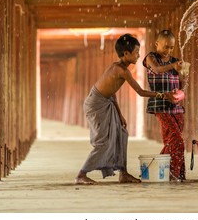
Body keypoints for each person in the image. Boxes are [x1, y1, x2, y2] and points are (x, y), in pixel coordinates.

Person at [75, 34, 177, 185]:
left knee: (122, 134)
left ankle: (123, 173)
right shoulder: (120, 70)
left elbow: (112, 93)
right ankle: (81, 174)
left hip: (107, 101)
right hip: (96, 104)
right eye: (136, 52)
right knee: (102, 142)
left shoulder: (121, 68)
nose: (138, 55)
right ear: (126, 54)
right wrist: (163, 95)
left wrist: (119, 114)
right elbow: (141, 92)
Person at [143, 30, 187, 182]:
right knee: (177, 141)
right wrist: (174, 65)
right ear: (157, 44)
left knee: (173, 141)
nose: (168, 50)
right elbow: (156, 69)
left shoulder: (175, 61)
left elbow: (182, 84)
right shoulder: (151, 57)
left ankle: (169, 171)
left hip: (176, 106)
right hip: (160, 105)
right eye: (166, 46)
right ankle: (172, 174)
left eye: (171, 47)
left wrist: (183, 74)